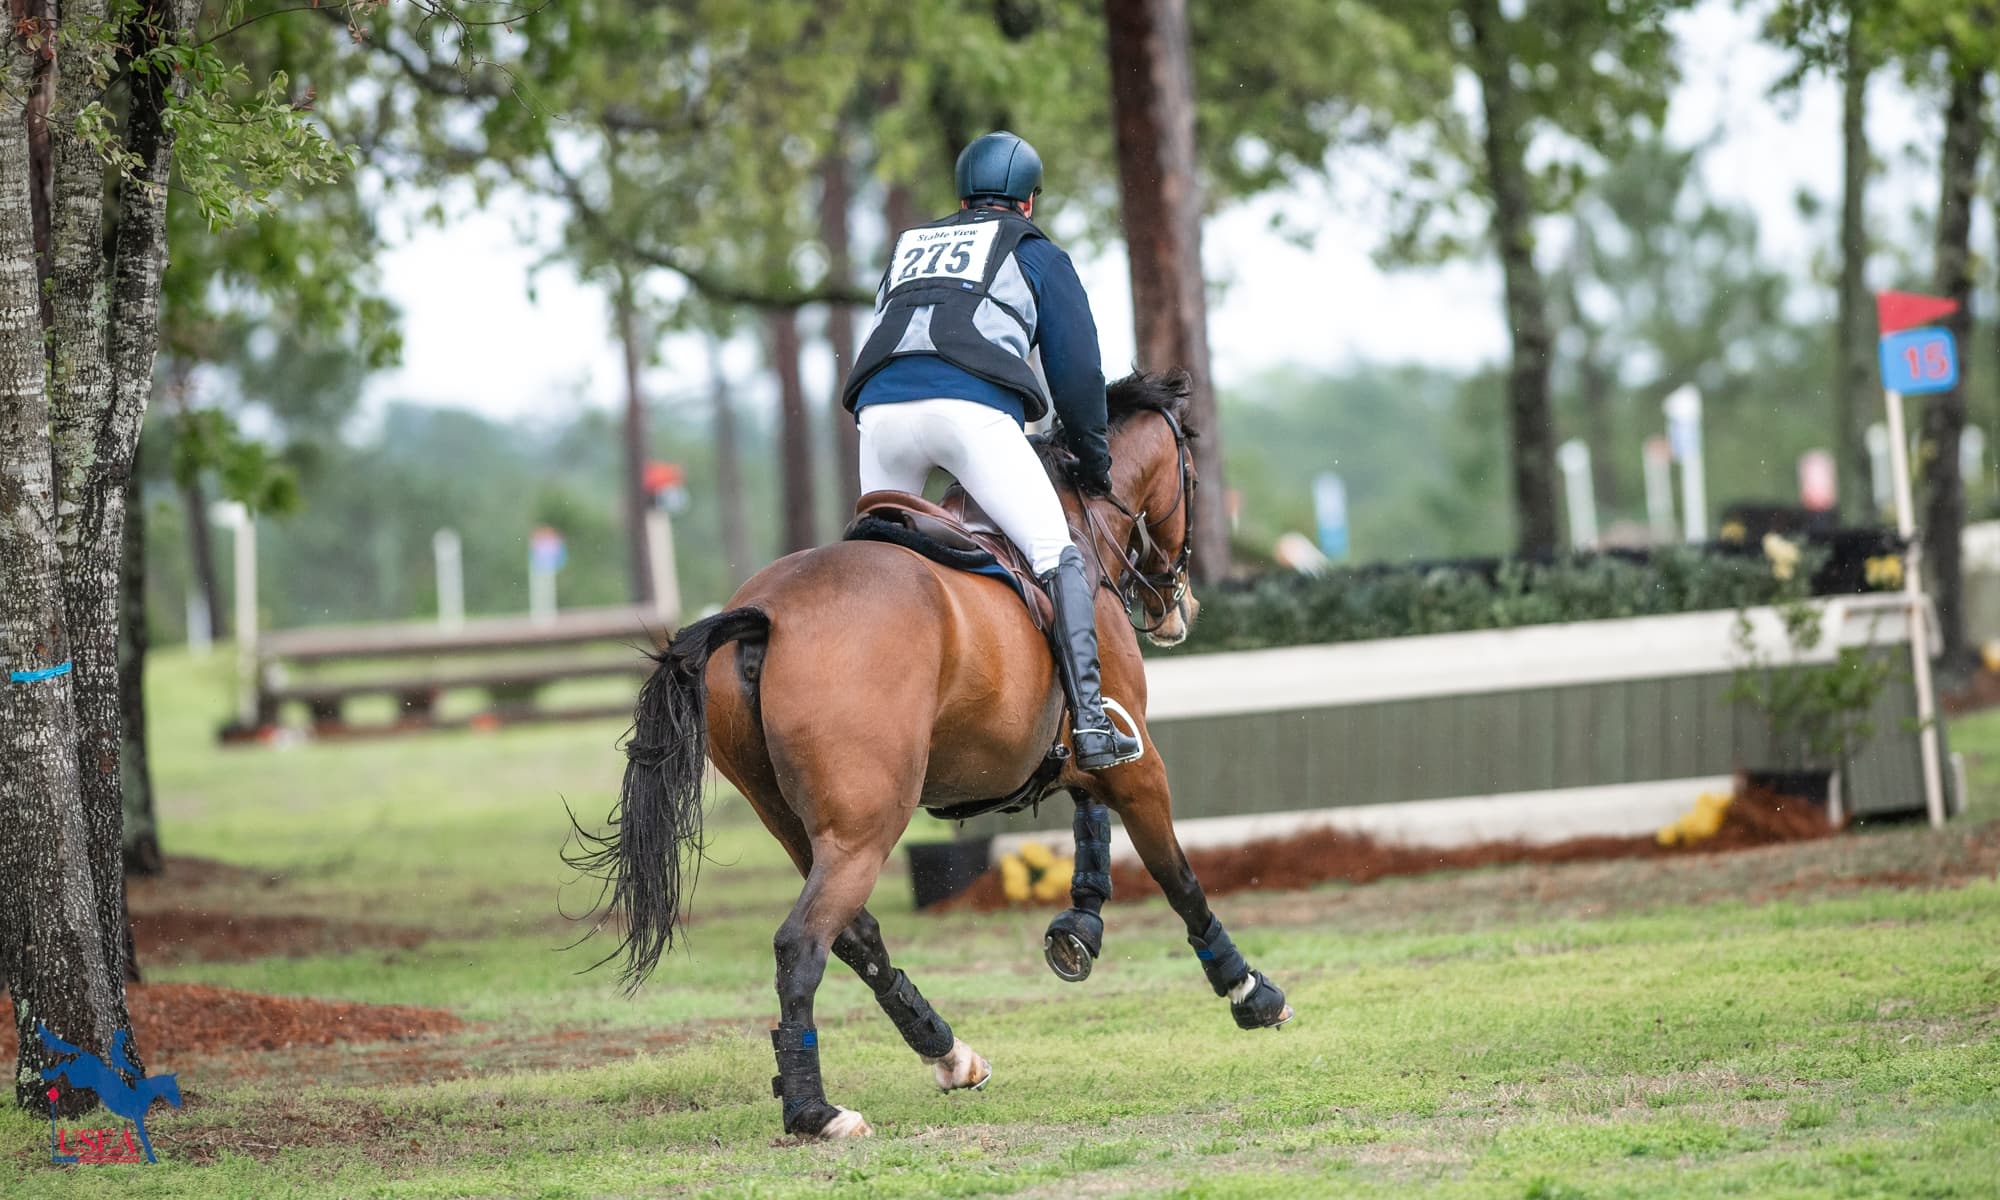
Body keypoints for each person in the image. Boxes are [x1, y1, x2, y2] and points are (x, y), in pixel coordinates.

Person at [841, 131, 1142, 772]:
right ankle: (1090, 722)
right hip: (968, 414)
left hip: (879, 411)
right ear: (1028, 203)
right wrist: (1094, 462)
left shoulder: (909, 248)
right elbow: (1078, 375)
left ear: (961, 197)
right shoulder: (1035, 251)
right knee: (1054, 551)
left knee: (871, 567)